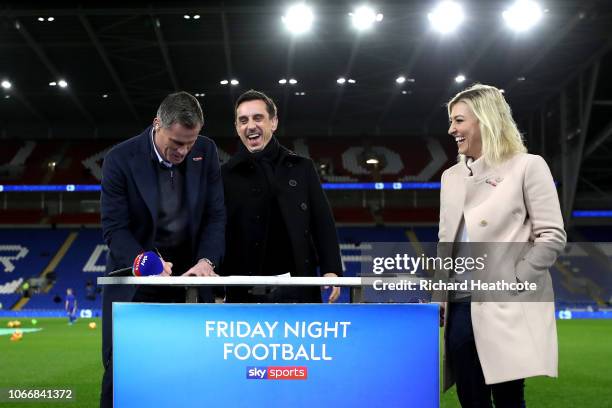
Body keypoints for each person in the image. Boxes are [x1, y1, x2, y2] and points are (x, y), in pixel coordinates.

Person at [438, 84, 566, 407]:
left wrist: (515, 279)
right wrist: (439, 297)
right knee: (471, 400)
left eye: (459, 120)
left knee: (509, 400)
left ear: (484, 119)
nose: (451, 129)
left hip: (505, 304)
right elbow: (445, 242)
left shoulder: (528, 166)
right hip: (459, 307)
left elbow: (551, 235)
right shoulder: (450, 177)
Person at [99, 91, 225, 407]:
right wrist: (146, 262)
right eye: (176, 142)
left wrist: (207, 260)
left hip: (190, 283)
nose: (184, 150)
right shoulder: (119, 158)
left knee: (192, 381)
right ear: (158, 124)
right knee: (121, 382)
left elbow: (215, 214)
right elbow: (115, 229)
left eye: (190, 141)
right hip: (137, 283)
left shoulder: (206, 151)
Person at [220, 89, 341, 303]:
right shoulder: (224, 175)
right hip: (243, 291)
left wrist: (331, 270)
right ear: (237, 127)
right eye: (243, 120)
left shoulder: (302, 168)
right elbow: (215, 228)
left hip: (298, 286)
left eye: (258, 118)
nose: (250, 126)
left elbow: (322, 222)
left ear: (273, 122)